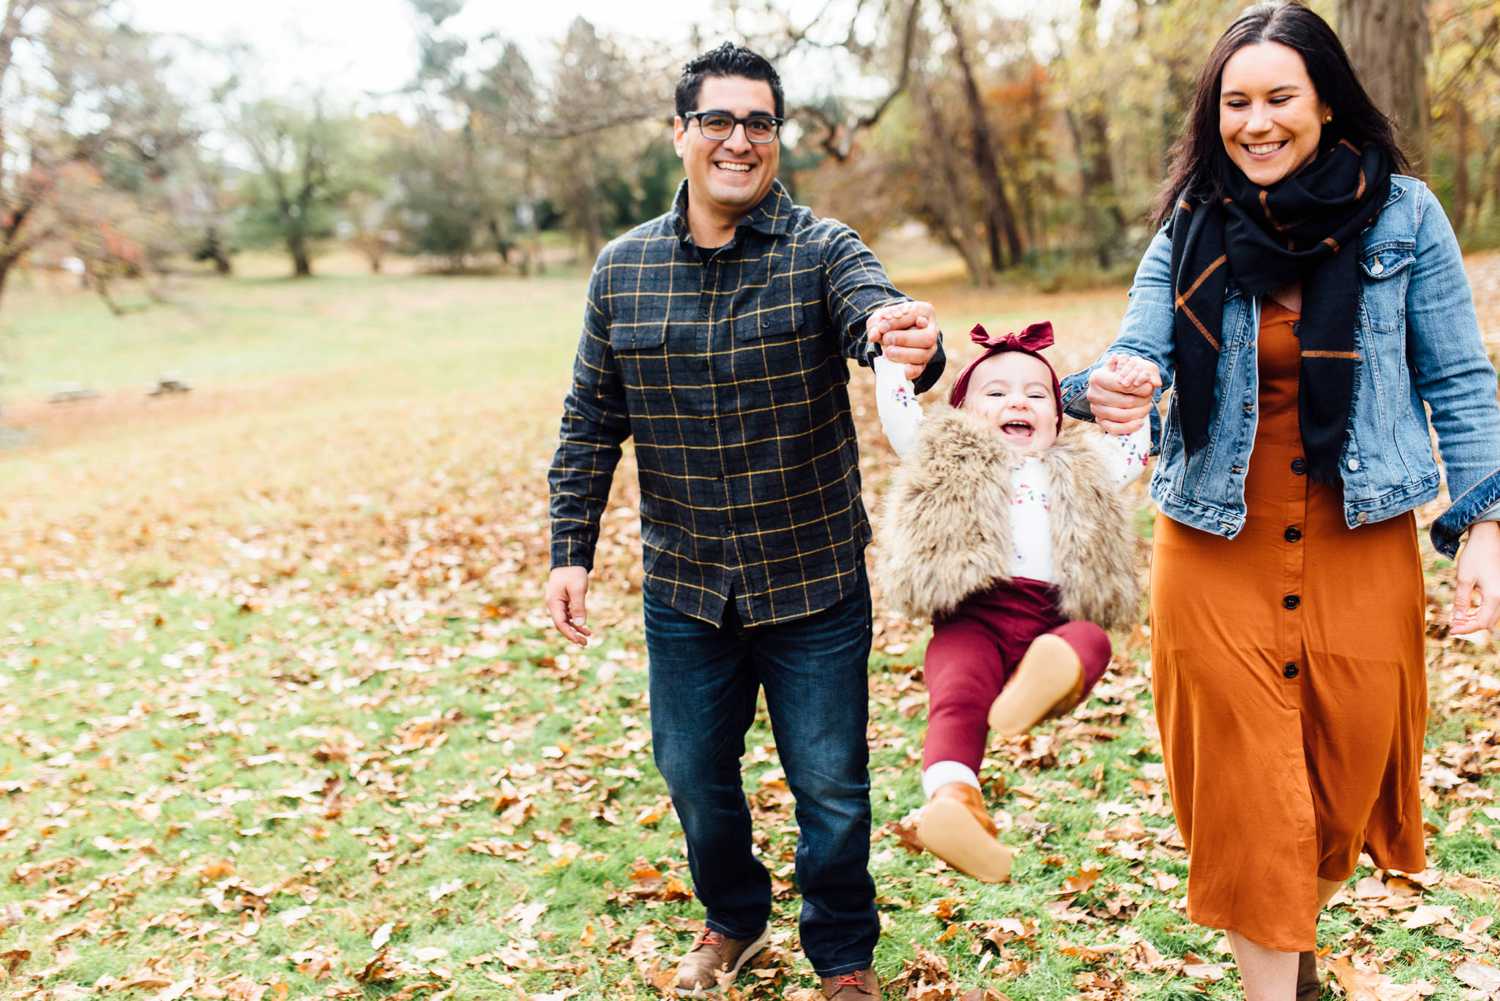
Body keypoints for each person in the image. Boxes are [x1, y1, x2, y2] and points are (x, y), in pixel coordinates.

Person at [1059, 4, 1500, 999]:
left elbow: (1462, 381)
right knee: (1252, 807)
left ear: (1327, 99)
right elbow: (1135, 351)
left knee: (1336, 794)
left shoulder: (1405, 215)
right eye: (1235, 102)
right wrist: (1114, 383)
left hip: (1362, 537)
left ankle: (1295, 962)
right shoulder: (1193, 228)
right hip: (1217, 546)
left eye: (1278, 98)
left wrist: (1485, 528)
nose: (1255, 122)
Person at [544, 42, 946, 1001]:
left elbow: (879, 323)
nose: (739, 139)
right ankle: (735, 915)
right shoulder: (623, 270)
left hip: (811, 580)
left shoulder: (822, 250)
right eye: (717, 119)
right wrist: (571, 549)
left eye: (758, 122)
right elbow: (592, 418)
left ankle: (843, 955)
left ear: (777, 138)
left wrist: (908, 344)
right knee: (692, 777)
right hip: (686, 587)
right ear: (679, 133)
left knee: (834, 794)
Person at [872, 322, 1154, 883]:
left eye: (1035, 394)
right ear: (961, 415)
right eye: (995, 394)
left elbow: (1130, 445)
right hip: (971, 616)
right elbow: (901, 413)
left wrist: (1132, 391)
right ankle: (955, 803)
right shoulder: (945, 456)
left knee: (1091, 641)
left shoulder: (1081, 468)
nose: (1016, 402)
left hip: (1055, 616)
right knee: (956, 698)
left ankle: (1040, 684)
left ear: (1056, 418)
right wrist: (891, 359)